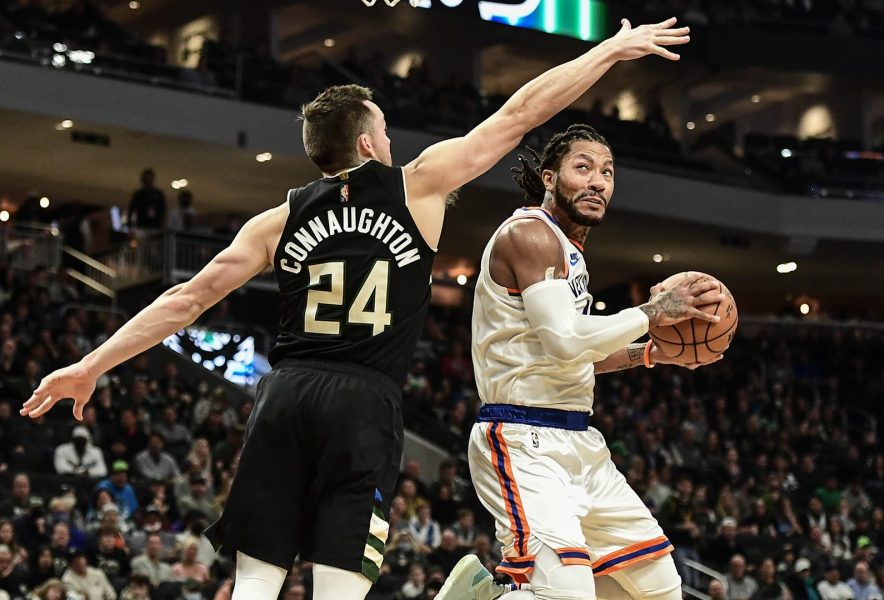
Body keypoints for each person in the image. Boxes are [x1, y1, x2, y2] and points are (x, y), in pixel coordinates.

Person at [20, 15, 691, 600]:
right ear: (368, 144)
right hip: (362, 400)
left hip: (282, 393)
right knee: (340, 581)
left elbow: (186, 299)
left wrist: (92, 364)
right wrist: (606, 53)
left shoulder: (275, 219)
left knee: (257, 576)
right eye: (387, 132)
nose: (394, 143)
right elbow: (519, 115)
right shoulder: (417, 187)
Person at [437, 122, 725, 600]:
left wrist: (648, 352)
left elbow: (580, 356)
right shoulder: (529, 235)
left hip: (579, 441)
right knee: (567, 593)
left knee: (657, 589)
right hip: (522, 436)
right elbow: (567, 344)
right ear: (549, 178)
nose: (598, 181)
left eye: (608, 173)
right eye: (583, 168)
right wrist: (652, 313)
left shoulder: (571, 253)